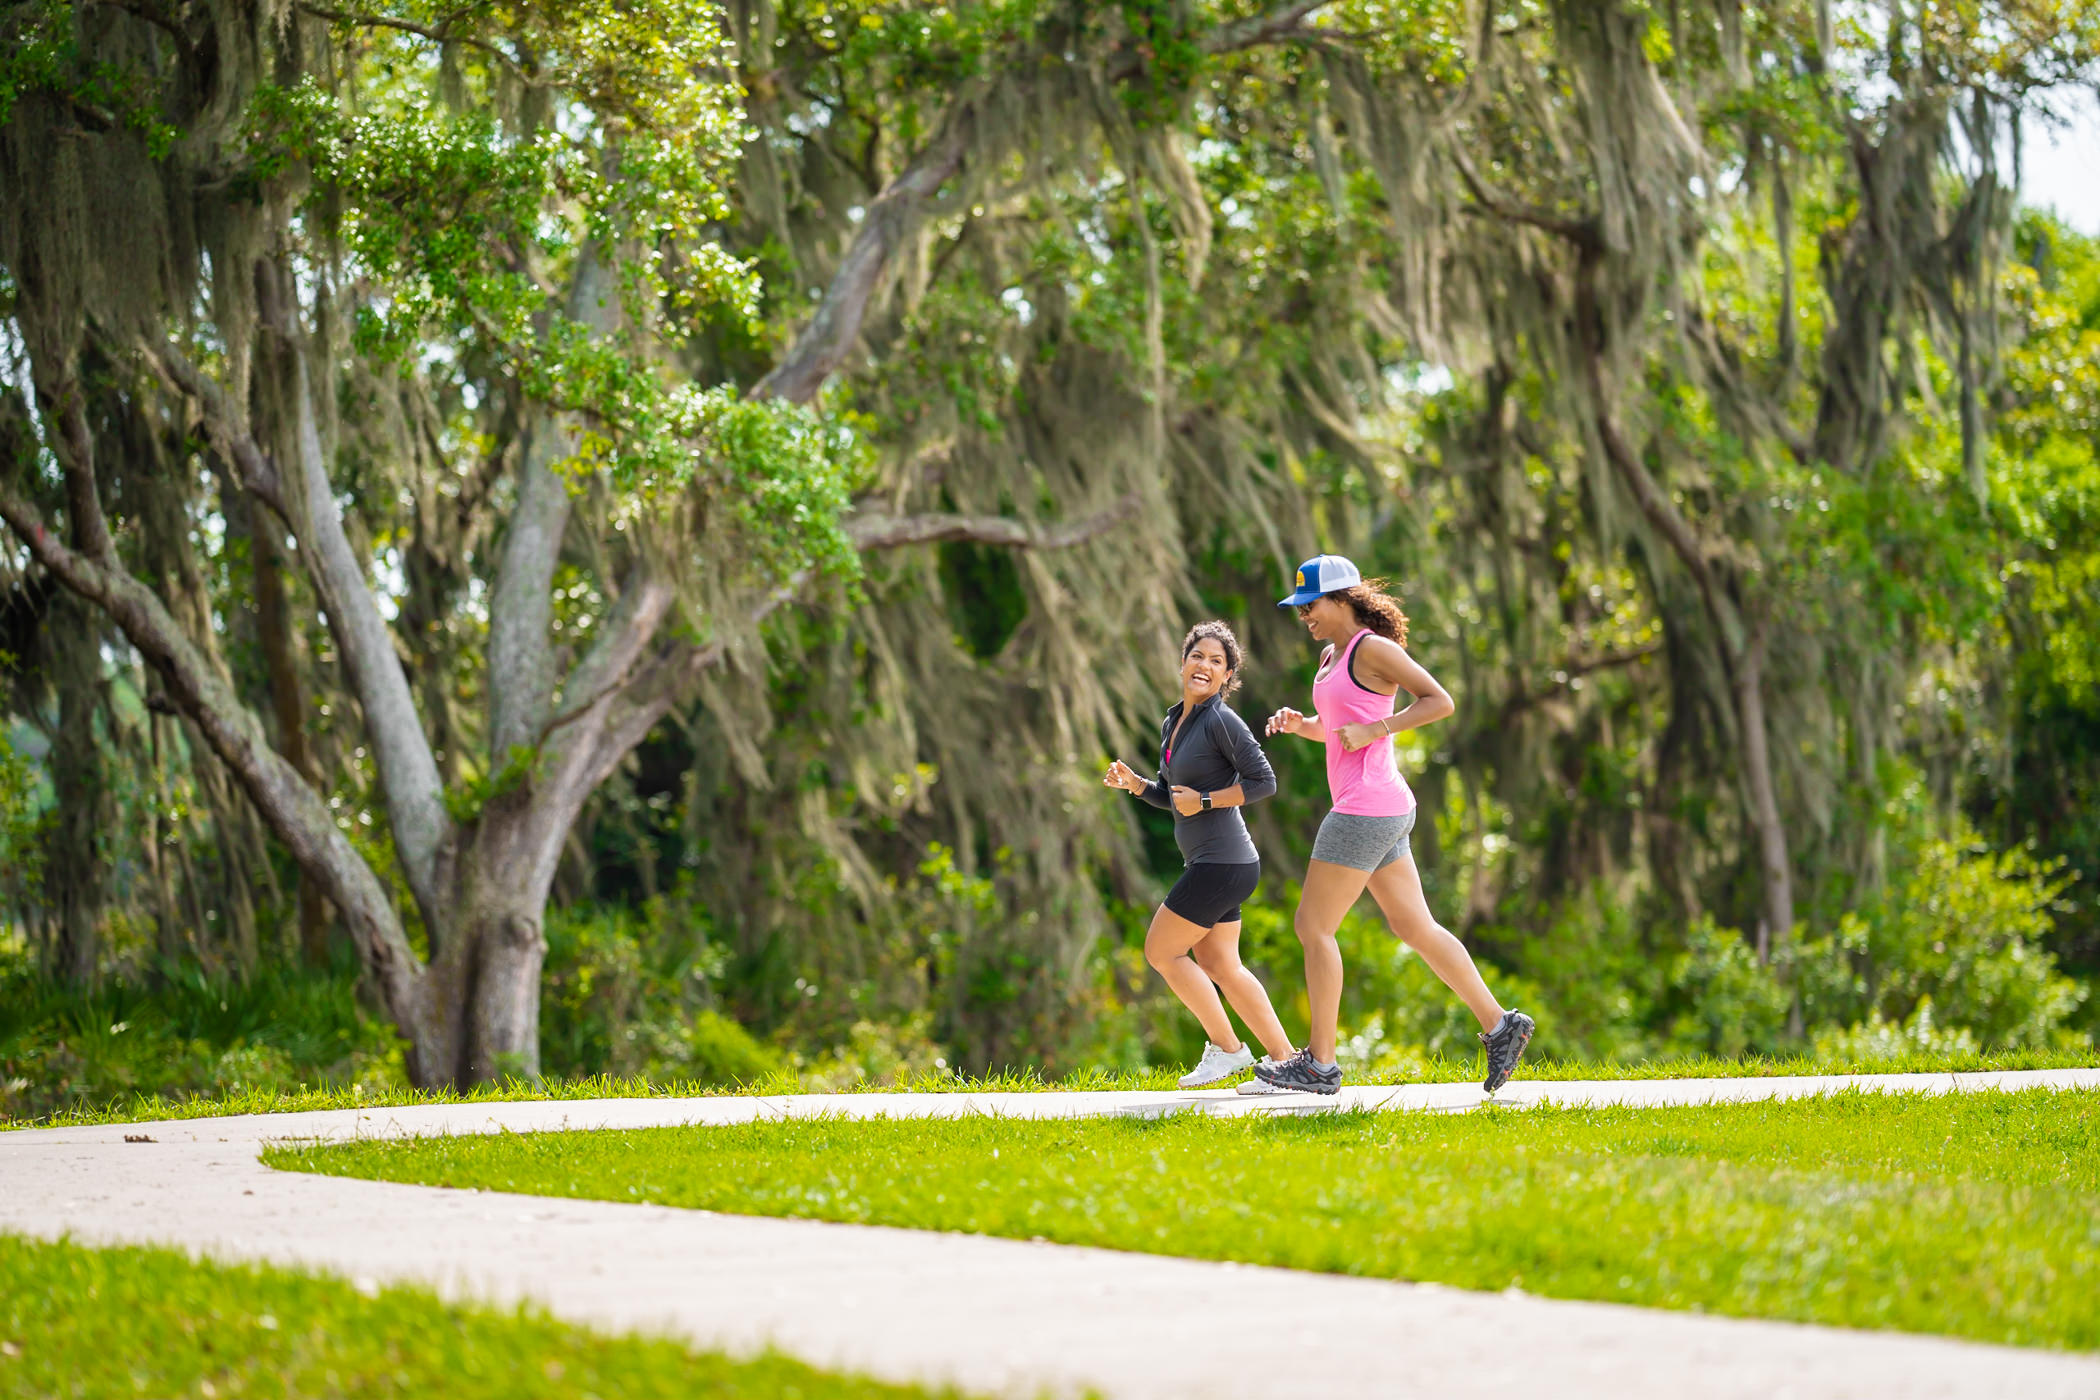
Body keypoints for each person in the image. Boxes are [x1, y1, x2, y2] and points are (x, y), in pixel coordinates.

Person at [1253, 555, 1535, 1095]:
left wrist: (1381, 727)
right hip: (1381, 805)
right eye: (1299, 609)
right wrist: (1302, 725)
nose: (1303, 616)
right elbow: (1341, 728)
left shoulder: (1373, 649)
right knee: (1415, 928)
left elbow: (1439, 701)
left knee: (1313, 927)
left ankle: (1319, 1063)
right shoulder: (1333, 654)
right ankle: (1502, 1025)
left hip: (1365, 808)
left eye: (1310, 605)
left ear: (1342, 599)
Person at [1104, 621, 1297, 1087]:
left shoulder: (1220, 720)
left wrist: (1208, 801)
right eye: (1198, 656)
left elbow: (1263, 781)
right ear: (1183, 662)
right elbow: (1174, 795)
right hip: (1218, 865)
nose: (1204, 666)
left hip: (1223, 864)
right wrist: (1138, 786)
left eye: (1216, 662)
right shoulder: (1177, 720)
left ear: (1227, 676)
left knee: (1161, 951)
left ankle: (1228, 1050)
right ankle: (1289, 1063)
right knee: (1220, 965)